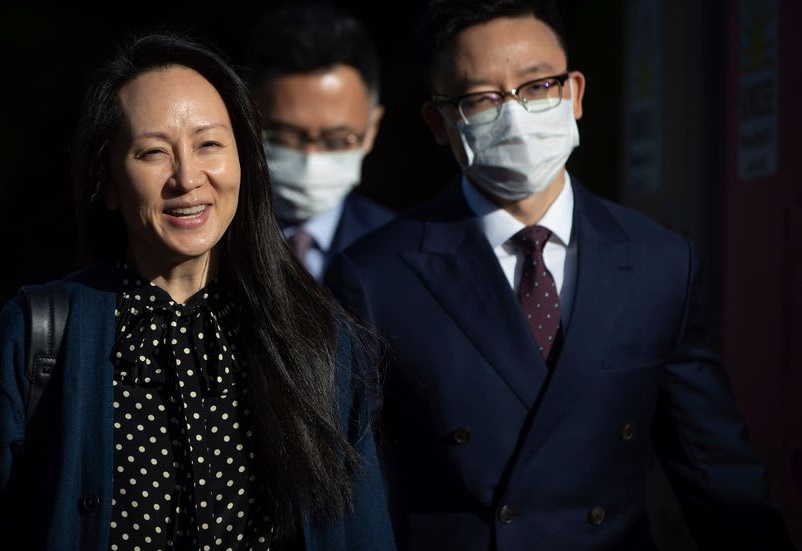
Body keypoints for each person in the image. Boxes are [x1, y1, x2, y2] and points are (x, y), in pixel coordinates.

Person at [325, 1, 796, 549]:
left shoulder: (658, 263)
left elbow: (716, 472)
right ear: (439, 121)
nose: (516, 115)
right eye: (482, 99)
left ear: (573, 92)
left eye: (538, 86)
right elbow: (351, 494)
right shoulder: (377, 275)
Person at [0, 33, 395, 551]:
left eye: (209, 145)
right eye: (153, 152)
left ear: (245, 161)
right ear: (108, 183)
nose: (186, 178)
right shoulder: (41, 333)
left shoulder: (316, 335)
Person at [244, 4, 394, 281]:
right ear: (248, 121)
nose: (310, 157)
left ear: (371, 129)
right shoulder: (207, 241)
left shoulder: (397, 247)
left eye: (336, 140)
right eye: (285, 135)